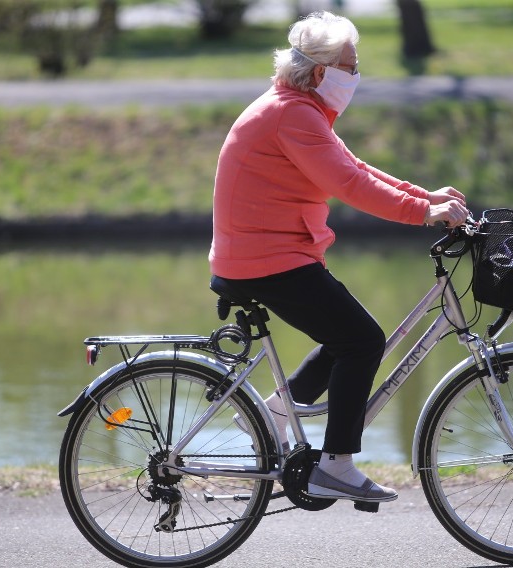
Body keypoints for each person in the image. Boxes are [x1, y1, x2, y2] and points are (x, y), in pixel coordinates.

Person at [208, 11, 470, 503]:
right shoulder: (293, 114)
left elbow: (354, 167)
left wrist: (425, 195)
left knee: (344, 337)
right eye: (351, 66)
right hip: (267, 258)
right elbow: (349, 185)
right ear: (323, 72)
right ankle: (337, 465)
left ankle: (271, 417)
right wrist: (424, 213)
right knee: (363, 340)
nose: (357, 74)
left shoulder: (298, 109)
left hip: (267, 253)